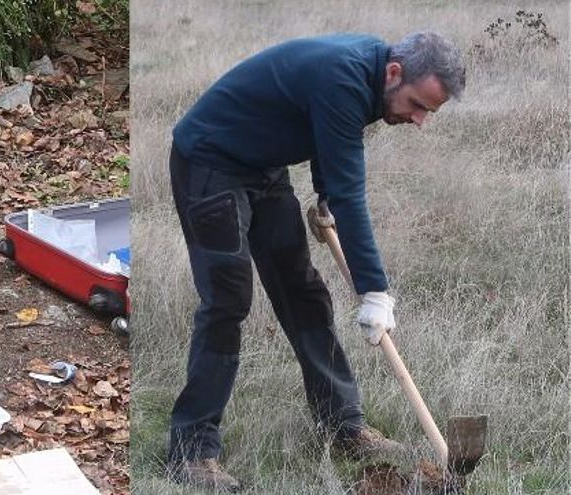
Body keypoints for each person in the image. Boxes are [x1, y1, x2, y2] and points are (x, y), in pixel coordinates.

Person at [166, 31, 465, 491]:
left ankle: (344, 427)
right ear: (395, 72)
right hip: (211, 163)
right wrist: (374, 290)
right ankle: (190, 451)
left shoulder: (373, 79)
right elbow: (351, 191)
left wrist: (323, 193)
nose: (420, 119)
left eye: (430, 111)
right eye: (418, 104)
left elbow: (332, 138)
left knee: (303, 292)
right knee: (228, 300)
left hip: (263, 168)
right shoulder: (344, 78)